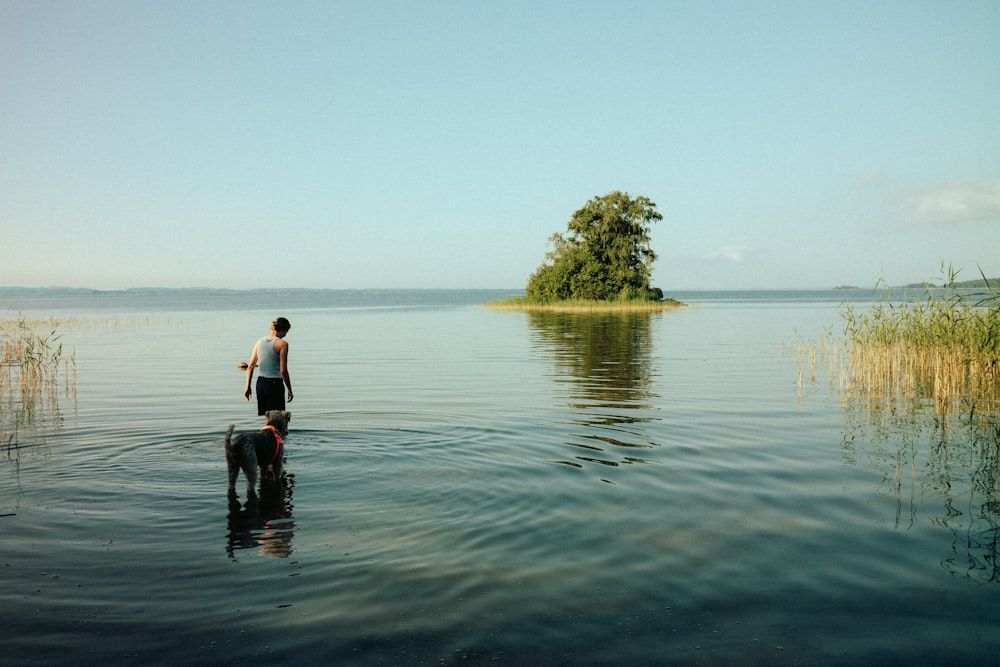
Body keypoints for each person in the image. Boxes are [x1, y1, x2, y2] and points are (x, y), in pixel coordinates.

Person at [243, 317, 293, 416]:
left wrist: (247, 387)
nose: (285, 335)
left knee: (267, 418)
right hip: (274, 384)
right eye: (286, 331)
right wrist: (289, 390)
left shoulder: (259, 341)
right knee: (278, 419)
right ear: (283, 330)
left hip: (261, 384)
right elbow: (283, 371)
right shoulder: (282, 344)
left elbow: (250, 366)